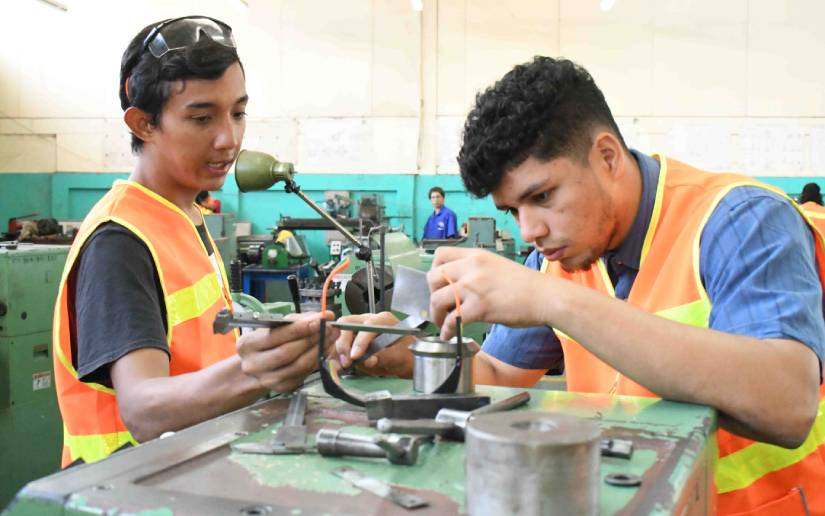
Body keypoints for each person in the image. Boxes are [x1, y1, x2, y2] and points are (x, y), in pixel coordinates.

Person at [335, 57, 825, 514]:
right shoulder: (561, 257)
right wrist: (405, 356)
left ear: (606, 157)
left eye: (542, 196)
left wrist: (552, 300)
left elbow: (787, 405)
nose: (529, 231)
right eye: (512, 211)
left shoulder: (741, 221)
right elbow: (499, 373)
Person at [53, 16, 335, 468]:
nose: (229, 139)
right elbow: (143, 410)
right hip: (126, 485)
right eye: (202, 118)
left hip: (190, 470)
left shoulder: (185, 213)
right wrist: (256, 370)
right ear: (143, 123)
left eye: (238, 113)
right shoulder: (119, 240)